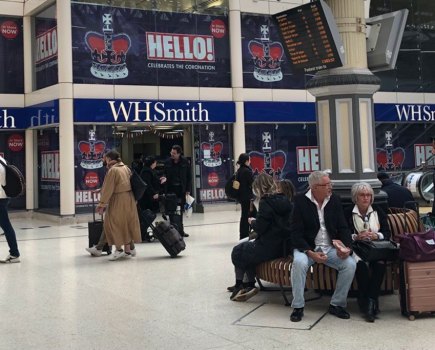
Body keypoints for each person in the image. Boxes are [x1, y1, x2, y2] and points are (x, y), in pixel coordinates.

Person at [289, 170, 356, 322]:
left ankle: (337, 304)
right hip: (308, 247)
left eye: (329, 184)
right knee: (299, 263)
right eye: (326, 184)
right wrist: (310, 252)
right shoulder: (300, 201)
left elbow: (343, 228)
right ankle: (298, 306)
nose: (330, 187)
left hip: (330, 248)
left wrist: (347, 249)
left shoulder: (334, 200)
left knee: (350, 264)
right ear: (314, 187)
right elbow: (295, 233)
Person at [229, 173, 293, 302]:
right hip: (283, 246)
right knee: (247, 249)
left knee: (238, 250)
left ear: (259, 188)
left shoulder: (265, 202)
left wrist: (252, 222)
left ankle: (243, 284)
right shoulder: (284, 200)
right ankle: (247, 285)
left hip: (268, 246)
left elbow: (260, 227)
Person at [344, 182, 391, 323]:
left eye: (368, 195)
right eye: (362, 195)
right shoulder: (347, 212)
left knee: (379, 265)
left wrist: (377, 236)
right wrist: (356, 237)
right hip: (358, 249)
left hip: (377, 248)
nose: (366, 198)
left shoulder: (378, 210)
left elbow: (387, 233)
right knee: (361, 266)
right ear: (355, 197)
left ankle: (368, 301)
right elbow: (343, 233)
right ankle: (370, 304)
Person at [96, 150, 141, 261]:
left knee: (112, 223)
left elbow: (108, 189)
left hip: (118, 199)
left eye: (105, 159)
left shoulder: (113, 170)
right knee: (126, 224)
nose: (104, 161)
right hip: (129, 198)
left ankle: (118, 250)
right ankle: (127, 250)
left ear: (110, 159)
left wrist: (101, 204)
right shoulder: (126, 168)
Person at [163, 145, 192, 237]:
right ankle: (172, 231)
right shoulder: (167, 162)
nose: (172, 154)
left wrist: (188, 189)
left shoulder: (185, 162)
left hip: (181, 189)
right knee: (171, 210)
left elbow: (189, 177)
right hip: (170, 189)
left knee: (180, 210)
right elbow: (164, 173)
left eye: (174, 153)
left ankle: (181, 230)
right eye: (171, 152)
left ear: (179, 154)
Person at [0, 155, 20, 263]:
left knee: (6, 226)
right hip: (4, 196)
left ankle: (14, 253)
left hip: (0, 198)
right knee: (6, 225)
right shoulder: (2, 160)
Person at [235, 153, 254, 240]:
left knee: (244, 215)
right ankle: (246, 234)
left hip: (241, 196)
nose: (250, 162)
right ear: (246, 161)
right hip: (248, 197)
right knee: (247, 215)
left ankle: (243, 234)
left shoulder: (239, 171)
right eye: (249, 160)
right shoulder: (247, 171)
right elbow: (252, 184)